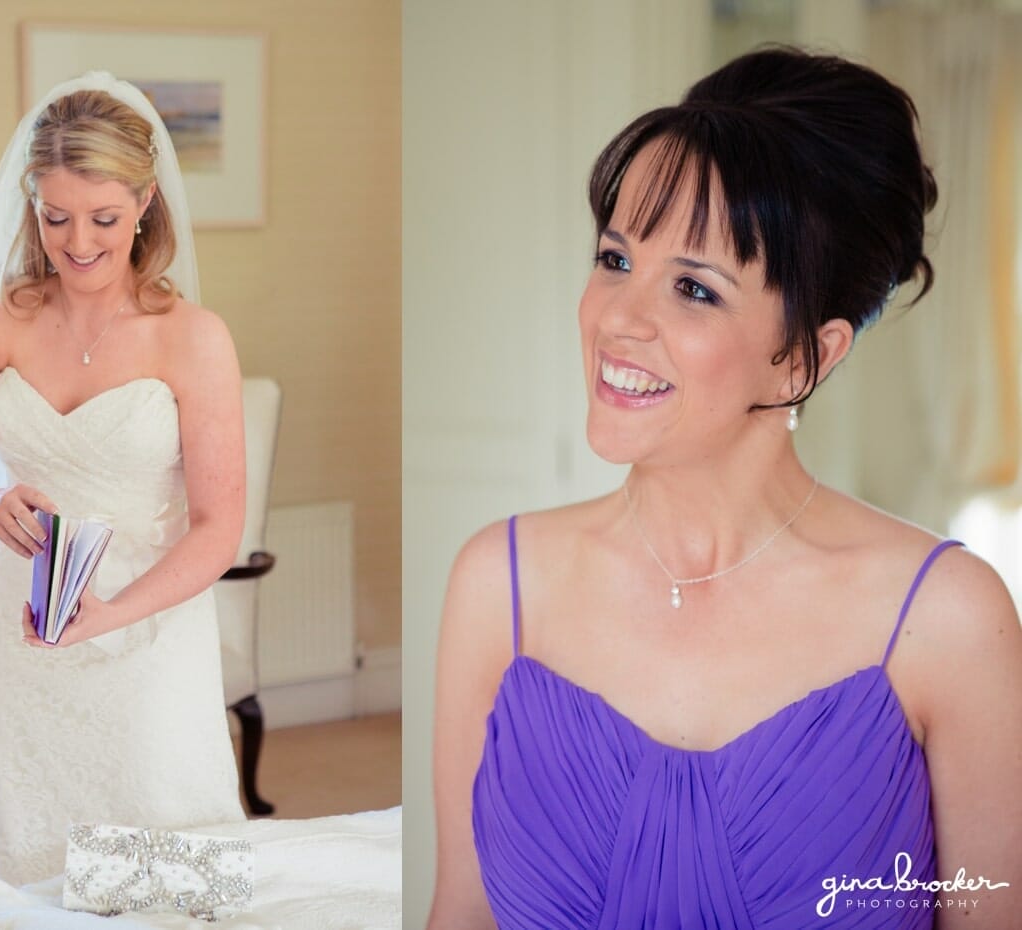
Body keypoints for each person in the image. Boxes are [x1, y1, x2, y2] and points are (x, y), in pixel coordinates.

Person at [428, 47, 1022, 929]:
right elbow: (462, 910)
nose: (617, 318)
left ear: (804, 358)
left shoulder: (947, 620)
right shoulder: (498, 584)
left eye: (693, 289)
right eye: (615, 259)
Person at [0, 73, 246, 929]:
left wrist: (111, 614)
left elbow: (218, 527)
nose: (77, 243)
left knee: (165, 882)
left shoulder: (193, 338)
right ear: (32, 206)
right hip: (25, 641)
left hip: (147, 637)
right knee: (26, 872)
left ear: (146, 204)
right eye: (55, 217)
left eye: (103, 219)